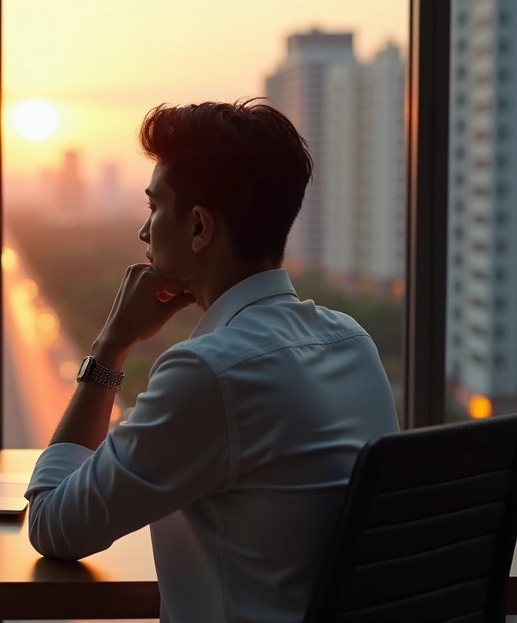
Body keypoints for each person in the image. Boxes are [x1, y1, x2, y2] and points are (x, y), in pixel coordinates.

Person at [24, 99, 400, 623]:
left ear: (199, 227)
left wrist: (109, 346)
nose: (144, 231)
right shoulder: (351, 340)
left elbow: (51, 525)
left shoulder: (211, 373)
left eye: (154, 207)